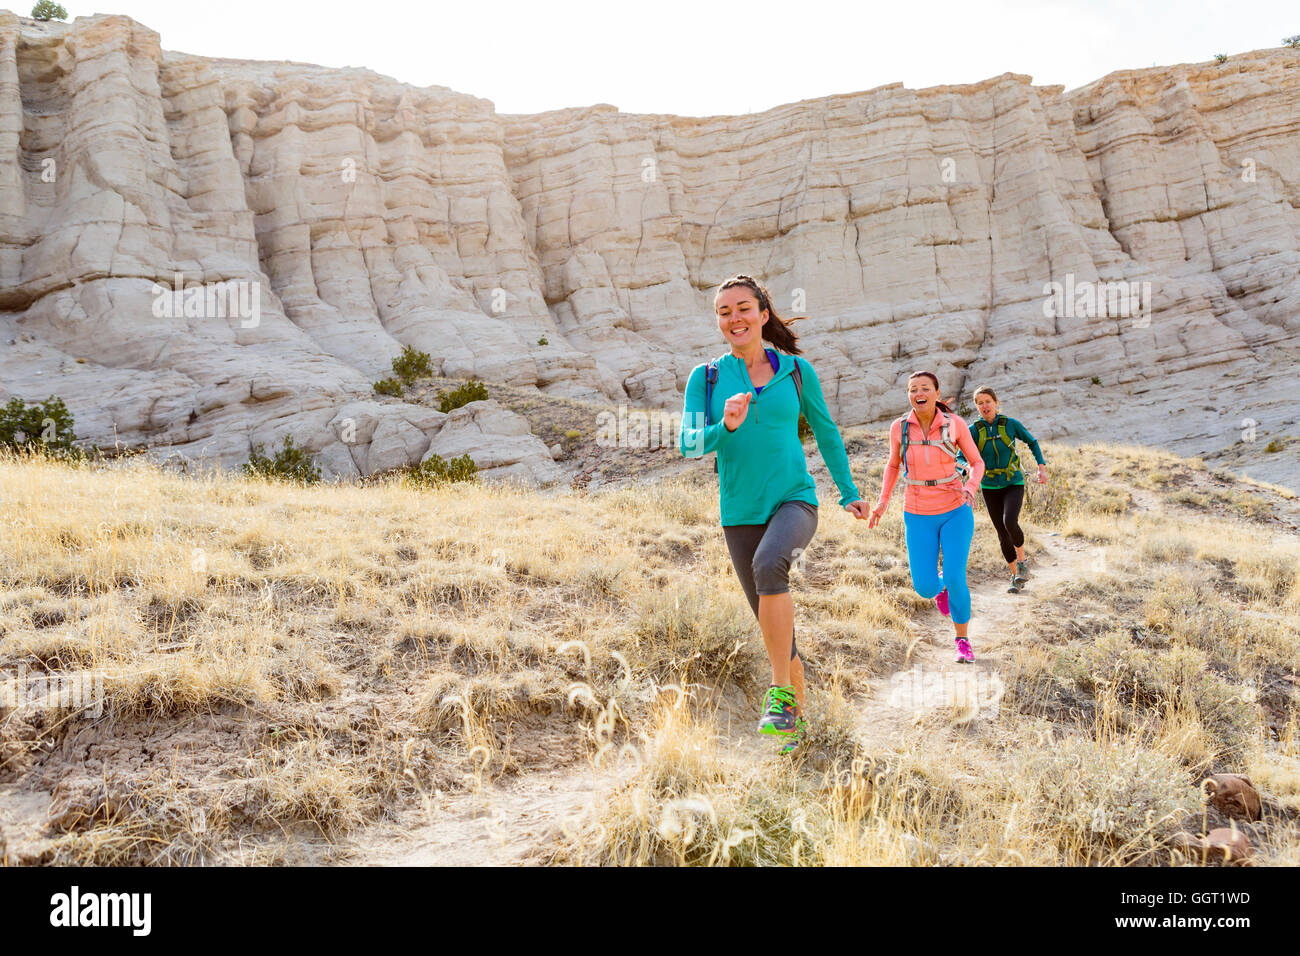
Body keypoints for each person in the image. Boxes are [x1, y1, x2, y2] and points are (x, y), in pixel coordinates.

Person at [678, 274, 869, 752]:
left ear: (763, 314)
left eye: (743, 308)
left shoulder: (796, 372)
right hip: (739, 512)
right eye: (724, 312)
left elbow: (825, 431)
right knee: (775, 627)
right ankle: (795, 731)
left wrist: (848, 492)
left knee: (770, 565)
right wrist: (725, 425)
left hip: (795, 500)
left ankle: (779, 695)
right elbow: (688, 445)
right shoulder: (708, 378)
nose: (734, 318)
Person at [868, 371, 985, 663]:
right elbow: (893, 466)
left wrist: (971, 486)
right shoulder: (899, 428)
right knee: (924, 587)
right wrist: (882, 502)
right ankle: (940, 586)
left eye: (924, 388)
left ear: (935, 392)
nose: (918, 393)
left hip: (956, 508)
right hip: (917, 512)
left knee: (957, 575)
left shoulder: (954, 424)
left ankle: (962, 640)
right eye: (912, 389)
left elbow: (977, 462)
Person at [958, 386, 1048, 593]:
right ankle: (1015, 575)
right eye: (979, 403)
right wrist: (962, 466)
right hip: (989, 485)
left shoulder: (1010, 424)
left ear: (996, 403)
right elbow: (961, 454)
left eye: (987, 401)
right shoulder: (973, 430)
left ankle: (1023, 561)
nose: (984, 406)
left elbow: (1032, 442)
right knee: (1001, 532)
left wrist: (1041, 469)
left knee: (1009, 521)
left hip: (1012, 482)